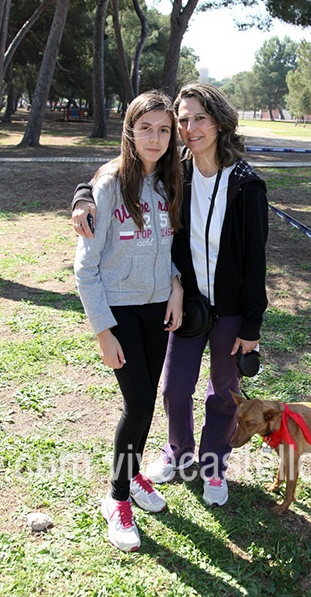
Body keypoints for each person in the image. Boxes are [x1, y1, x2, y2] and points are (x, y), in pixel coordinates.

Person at [72, 83, 268, 508]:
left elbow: (256, 262)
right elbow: (118, 169)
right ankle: (178, 453)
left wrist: (252, 325)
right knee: (173, 390)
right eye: (183, 120)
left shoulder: (246, 185)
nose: (189, 128)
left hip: (231, 311)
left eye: (200, 118)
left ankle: (213, 465)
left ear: (219, 123)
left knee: (222, 392)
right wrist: (83, 195)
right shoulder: (175, 171)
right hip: (186, 304)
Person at [74, 90, 184, 552]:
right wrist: (103, 330)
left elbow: (170, 248)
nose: (155, 139)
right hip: (119, 313)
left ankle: (133, 472)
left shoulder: (169, 182)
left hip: (157, 309)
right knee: (137, 404)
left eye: (164, 130)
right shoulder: (108, 185)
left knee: (144, 402)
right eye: (146, 129)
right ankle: (117, 498)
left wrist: (175, 285)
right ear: (130, 131)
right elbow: (85, 267)